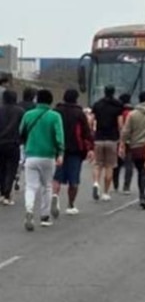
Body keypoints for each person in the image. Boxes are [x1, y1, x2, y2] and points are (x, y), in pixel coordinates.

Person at [20, 90, 64, 230]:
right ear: (51, 101)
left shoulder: (28, 115)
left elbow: (21, 133)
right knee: (47, 186)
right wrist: (61, 153)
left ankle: (29, 210)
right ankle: (44, 217)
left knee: (31, 186)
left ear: (37, 100)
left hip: (31, 155)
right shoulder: (55, 116)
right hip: (48, 156)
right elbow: (59, 136)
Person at [52, 89, 93, 217]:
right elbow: (86, 132)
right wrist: (91, 147)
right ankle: (70, 205)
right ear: (76, 98)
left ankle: (55, 196)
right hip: (75, 149)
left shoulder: (56, 111)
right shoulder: (79, 113)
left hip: (58, 149)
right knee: (74, 180)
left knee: (56, 177)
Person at [89, 85, 124, 202]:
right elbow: (120, 124)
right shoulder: (118, 105)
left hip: (99, 138)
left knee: (97, 164)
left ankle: (95, 183)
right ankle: (105, 192)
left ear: (104, 92)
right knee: (109, 165)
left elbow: (91, 120)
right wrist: (121, 137)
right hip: (112, 139)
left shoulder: (97, 104)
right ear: (114, 92)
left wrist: (92, 131)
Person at [0, 90, 26, 206]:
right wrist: (22, 140)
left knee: (1, 168)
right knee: (11, 169)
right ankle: (7, 194)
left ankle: (1, 192)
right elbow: (24, 128)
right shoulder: (20, 111)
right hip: (14, 143)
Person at [117, 93, 134, 194]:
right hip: (130, 140)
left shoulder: (118, 113)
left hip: (118, 139)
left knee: (117, 164)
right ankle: (126, 186)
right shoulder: (133, 113)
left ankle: (115, 184)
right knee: (129, 164)